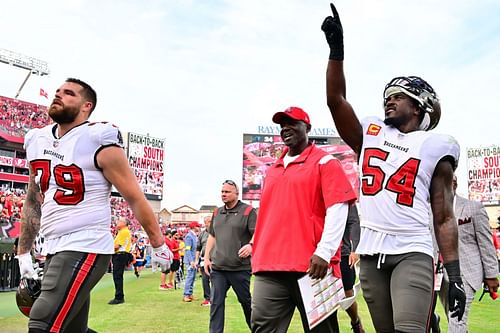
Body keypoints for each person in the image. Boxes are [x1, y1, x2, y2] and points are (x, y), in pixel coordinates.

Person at [321, 4, 467, 332]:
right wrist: (336, 52)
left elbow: (443, 216)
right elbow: (336, 101)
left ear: (419, 106)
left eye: (398, 97)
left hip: (412, 250)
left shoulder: (436, 146)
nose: (389, 100)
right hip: (371, 254)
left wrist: (454, 275)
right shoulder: (371, 132)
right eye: (388, 96)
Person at [16, 78, 172, 333]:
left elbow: (134, 196)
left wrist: (158, 243)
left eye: (68, 93)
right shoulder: (37, 139)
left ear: (86, 106)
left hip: (85, 244)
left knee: (41, 322)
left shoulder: (97, 138)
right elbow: (34, 200)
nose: (58, 96)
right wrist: (23, 251)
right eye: (57, 92)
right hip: (55, 245)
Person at [251, 106, 357, 333]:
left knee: (322, 330)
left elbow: (338, 209)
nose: (286, 128)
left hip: (312, 265)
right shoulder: (273, 170)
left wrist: (325, 251)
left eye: (292, 123)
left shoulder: (325, 162)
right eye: (282, 125)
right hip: (270, 264)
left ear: (307, 127)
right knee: (261, 327)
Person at [437, 175, 499, 332]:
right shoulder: (429, 211)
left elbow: (485, 243)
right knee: (454, 318)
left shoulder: (474, 208)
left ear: (454, 184)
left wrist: (491, 275)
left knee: (456, 320)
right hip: (437, 275)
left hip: (465, 272)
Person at [204, 180, 257, 332]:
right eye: (222, 192)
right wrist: (207, 258)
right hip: (219, 268)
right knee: (216, 303)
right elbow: (212, 236)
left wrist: (251, 245)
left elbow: (258, 233)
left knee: (246, 302)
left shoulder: (248, 211)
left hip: (240, 268)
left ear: (236, 193)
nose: (223, 194)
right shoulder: (216, 212)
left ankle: (257, 329)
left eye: (227, 192)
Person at [339, 204, 365, 333]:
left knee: (347, 295)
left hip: (342, 254)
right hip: (317, 254)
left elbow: (354, 222)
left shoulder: (345, 196)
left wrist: (355, 250)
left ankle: (356, 322)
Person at [109, 217, 132, 304]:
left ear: (124, 223)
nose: (117, 222)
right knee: (118, 276)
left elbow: (117, 246)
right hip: (120, 254)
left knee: (117, 276)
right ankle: (119, 296)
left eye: (119, 221)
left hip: (120, 254)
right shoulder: (122, 232)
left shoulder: (124, 232)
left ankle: (119, 297)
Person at [196, 216, 212, 306]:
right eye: (209, 221)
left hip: (215, 260)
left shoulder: (217, 232)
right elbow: (198, 248)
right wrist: (196, 260)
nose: (211, 223)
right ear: (205, 223)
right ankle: (207, 298)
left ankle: (215, 298)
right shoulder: (202, 234)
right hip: (203, 260)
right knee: (205, 280)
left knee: (216, 280)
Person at [183, 221, 199, 302]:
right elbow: (188, 250)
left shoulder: (194, 236)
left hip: (194, 260)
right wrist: (191, 261)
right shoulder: (189, 236)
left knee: (192, 278)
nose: (198, 227)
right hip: (191, 260)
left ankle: (190, 294)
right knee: (189, 277)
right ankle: (186, 295)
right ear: (194, 227)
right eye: (197, 226)